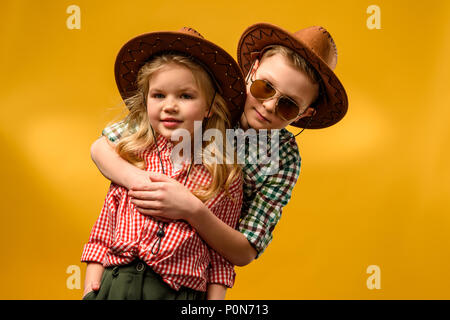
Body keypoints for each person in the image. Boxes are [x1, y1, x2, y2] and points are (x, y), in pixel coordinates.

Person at [90, 23, 348, 269]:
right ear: (253, 69)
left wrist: (191, 209)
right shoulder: (206, 99)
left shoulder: (284, 158)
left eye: (288, 105)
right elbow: (102, 148)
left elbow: (245, 249)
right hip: (130, 247)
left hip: (194, 272)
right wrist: (145, 184)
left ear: (303, 114)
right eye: (264, 87)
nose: (269, 106)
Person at [81, 27, 247, 300]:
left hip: (178, 293)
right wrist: (90, 292)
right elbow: (103, 231)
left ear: (208, 108)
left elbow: (220, 260)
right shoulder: (131, 155)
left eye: (185, 96)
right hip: (116, 284)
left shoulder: (224, 174)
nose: (170, 105)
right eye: (159, 95)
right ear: (146, 101)